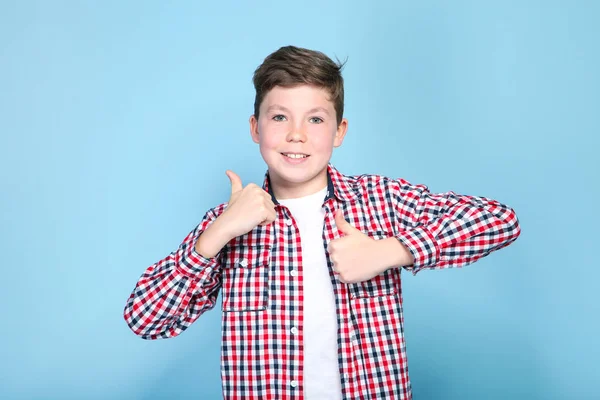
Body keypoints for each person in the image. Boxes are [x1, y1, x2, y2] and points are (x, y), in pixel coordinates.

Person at [123, 45, 521, 400]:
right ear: (255, 128)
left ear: (339, 132)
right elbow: (145, 318)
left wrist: (393, 250)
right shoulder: (227, 222)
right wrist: (215, 237)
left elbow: (498, 220)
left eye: (315, 120)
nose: (296, 135)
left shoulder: (379, 201)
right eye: (279, 117)